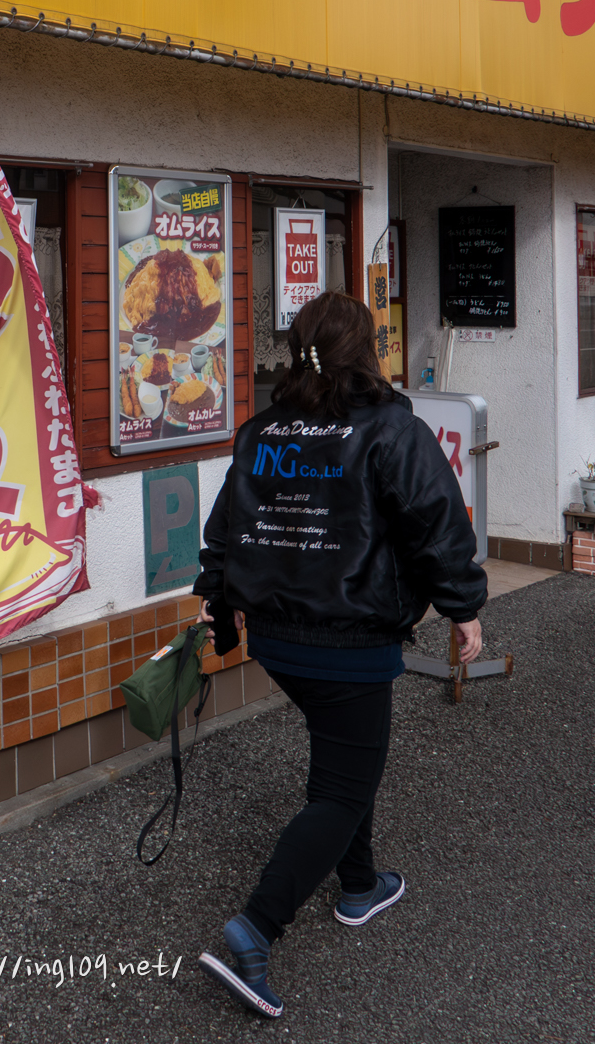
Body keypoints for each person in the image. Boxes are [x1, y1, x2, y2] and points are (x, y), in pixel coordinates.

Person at [193, 290, 486, 1019]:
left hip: (278, 640)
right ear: (366, 351)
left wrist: (216, 595)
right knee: (343, 789)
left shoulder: (262, 431)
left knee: (347, 760)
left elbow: (225, 527)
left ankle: (359, 885)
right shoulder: (391, 429)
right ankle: (256, 930)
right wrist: (463, 608)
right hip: (351, 641)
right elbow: (437, 523)